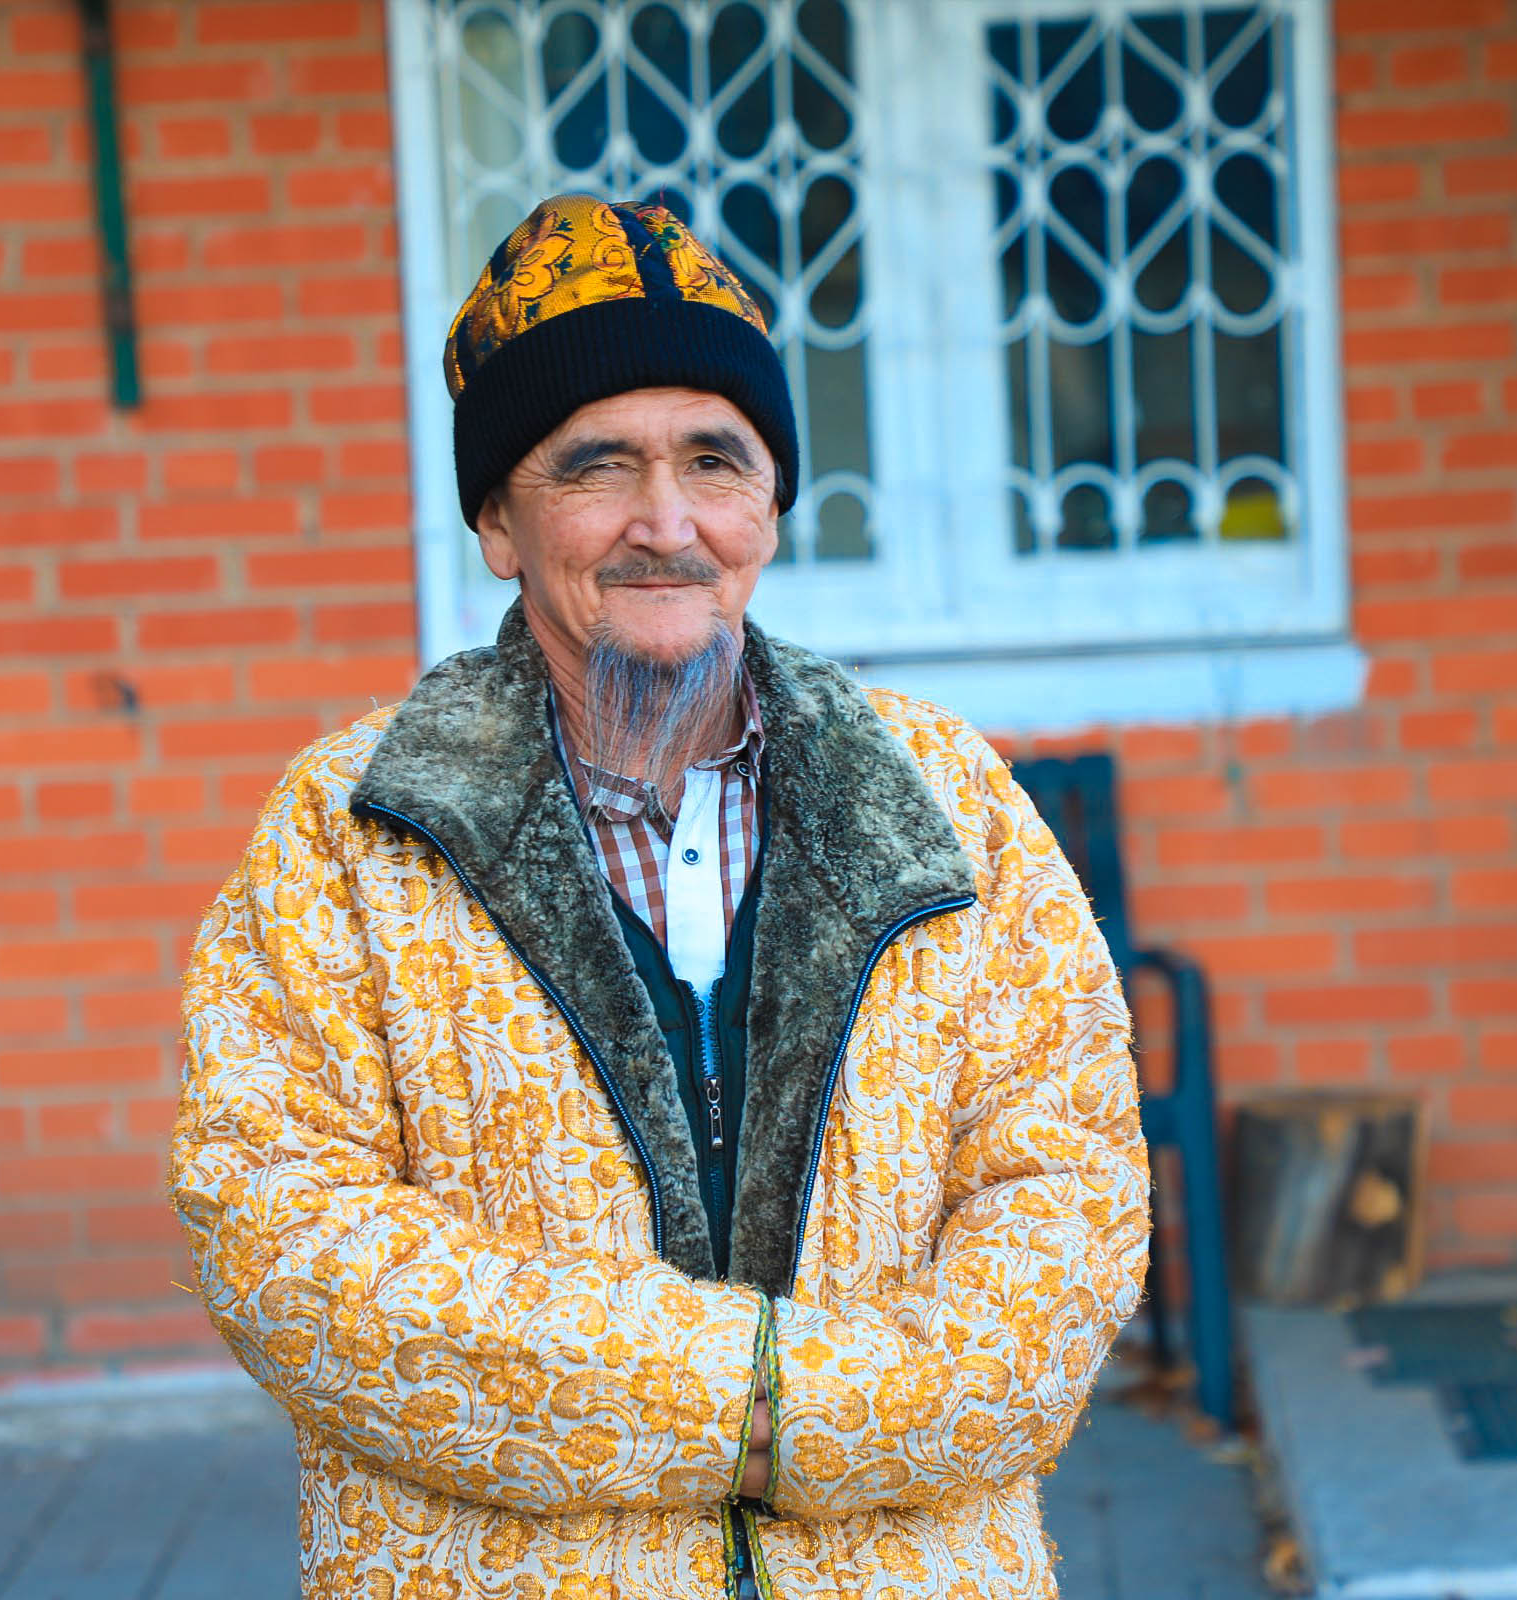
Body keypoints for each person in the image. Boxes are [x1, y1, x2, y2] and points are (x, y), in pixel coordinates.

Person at [172, 193, 1150, 1600]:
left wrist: (795, 1419)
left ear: (771, 507)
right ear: (499, 521)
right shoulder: (348, 830)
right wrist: (752, 1404)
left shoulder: (946, 799)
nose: (666, 522)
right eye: (597, 466)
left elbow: (1069, 1203)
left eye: (714, 459)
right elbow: (285, 1239)